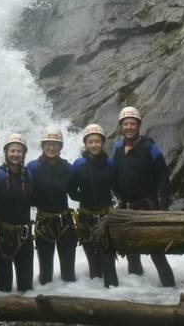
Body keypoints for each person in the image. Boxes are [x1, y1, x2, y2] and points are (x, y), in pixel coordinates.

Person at [113, 106, 176, 287]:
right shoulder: (117, 148)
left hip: (148, 207)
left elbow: (163, 178)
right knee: (132, 253)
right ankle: (138, 292)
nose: (129, 127)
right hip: (127, 207)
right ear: (121, 126)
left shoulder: (150, 148)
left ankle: (170, 290)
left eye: (133, 123)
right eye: (126, 124)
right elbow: (114, 174)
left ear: (139, 126)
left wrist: (163, 209)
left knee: (156, 251)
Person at [69, 123, 118, 288]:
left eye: (97, 141)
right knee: (94, 266)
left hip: (106, 218)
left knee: (109, 264)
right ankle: (96, 301)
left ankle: (115, 298)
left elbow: (116, 187)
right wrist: (83, 198)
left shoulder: (110, 164)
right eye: (90, 142)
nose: (94, 145)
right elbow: (71, 189)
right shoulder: (78, 165)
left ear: (102, 142)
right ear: (85, 144)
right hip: (85, 218)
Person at [26, 125, 77, 285]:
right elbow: (26, 195)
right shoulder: (32, 168)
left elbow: (74, 192)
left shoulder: (68, 168)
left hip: (65, 222)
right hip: (44, 223)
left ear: (60, 146)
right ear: (42, 145)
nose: (51, 147)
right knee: (45, 277)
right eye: (48, 143)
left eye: (55, 144)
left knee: (69, 275)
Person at [0, 132, 33, 292]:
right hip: (3, 237)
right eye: (12, 151)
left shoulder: (28, 175)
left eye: (19, 151)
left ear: (24, 154)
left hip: (25, 237)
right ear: (6, 153)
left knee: (26, 287)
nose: (16, 154)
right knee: (4, 288)